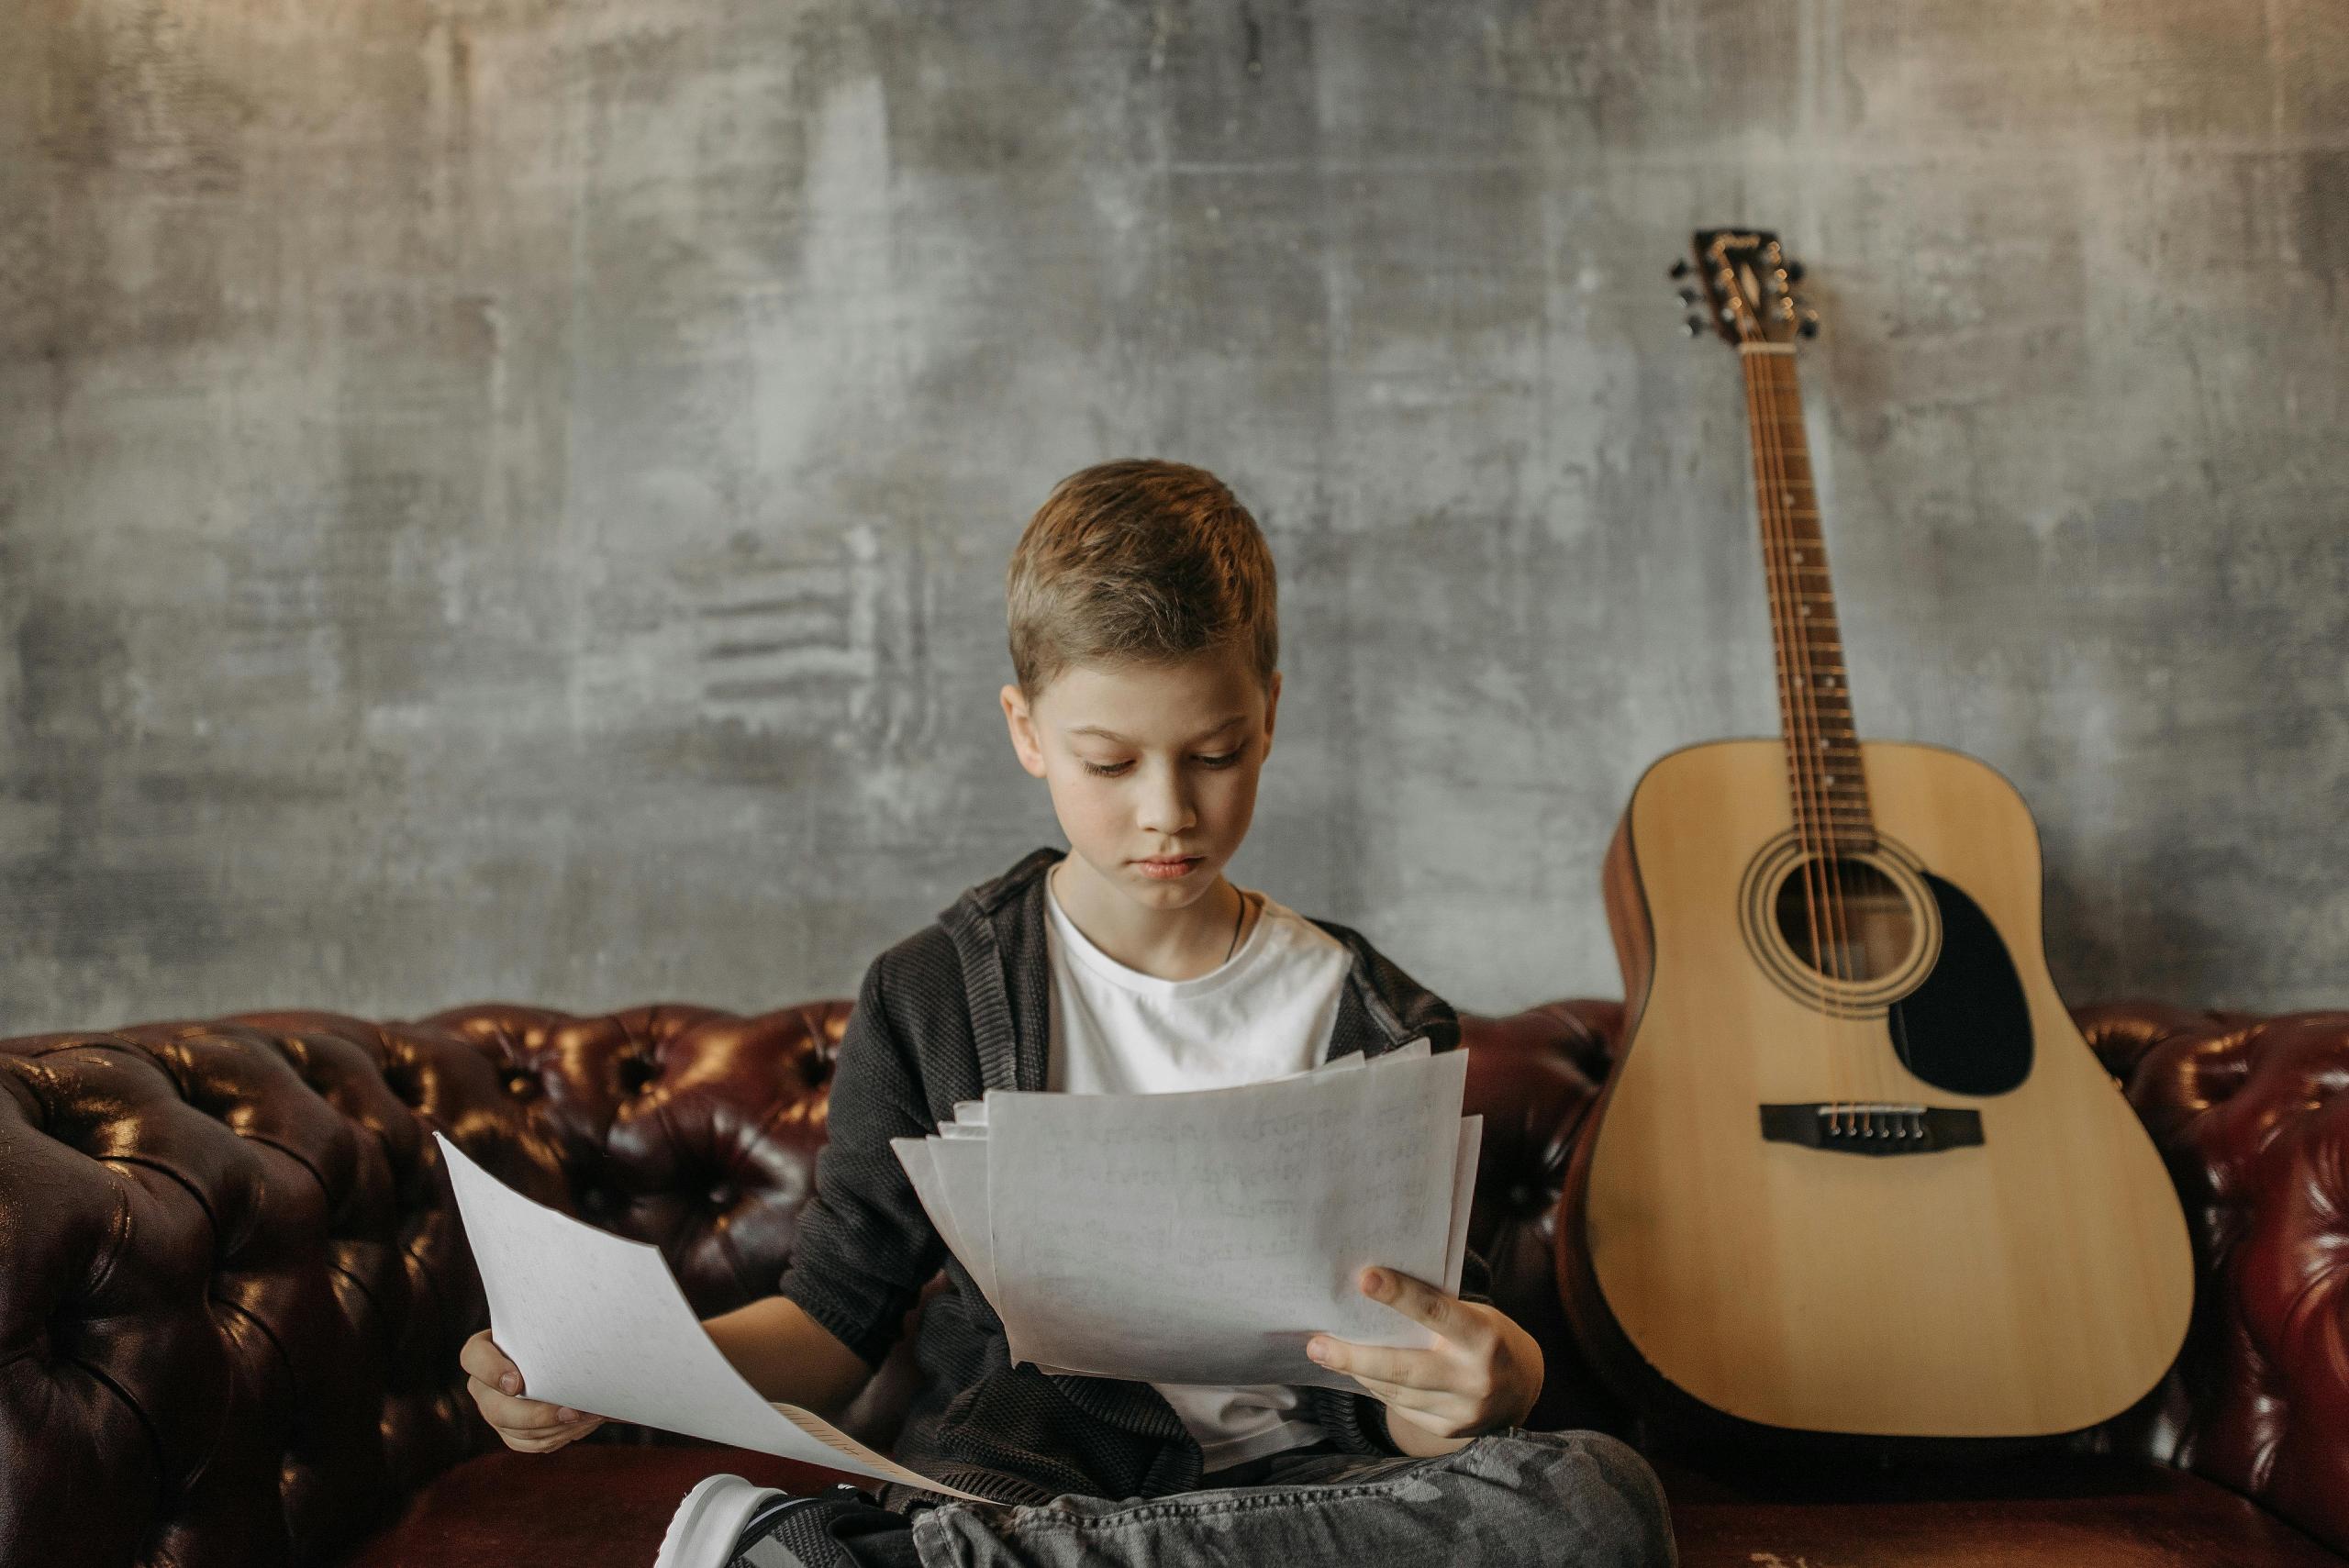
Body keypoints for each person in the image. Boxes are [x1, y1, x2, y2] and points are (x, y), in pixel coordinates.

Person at [461, 460, 1675, 1567]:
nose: (1169, 811)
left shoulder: (1382, 1018)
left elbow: (1421, 1381)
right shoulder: (932, 994)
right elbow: (835, 1322)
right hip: (1034, 1469)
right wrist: (611, 1370)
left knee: (1600, 1496)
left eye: (1216, 752)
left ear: (1271, 713)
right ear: (1026, 731)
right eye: (1111, 762)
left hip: (1314, 1482)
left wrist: (1489, 1376)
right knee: (995, 1518)